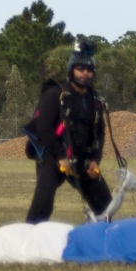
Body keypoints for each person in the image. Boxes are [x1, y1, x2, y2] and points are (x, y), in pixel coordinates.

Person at [25, 36, 112, 224]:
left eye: (89, 70)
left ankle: (100, 238)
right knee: (43, 202)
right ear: (71, 70)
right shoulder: (56, 94)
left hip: (81, 157)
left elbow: (99, 133)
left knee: (105, 203)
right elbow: (44, 129)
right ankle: (30, 239)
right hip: (52, 155)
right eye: (80, 69)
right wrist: (61, 156)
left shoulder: (94, 100)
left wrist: (95, 160)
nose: (85, 74)